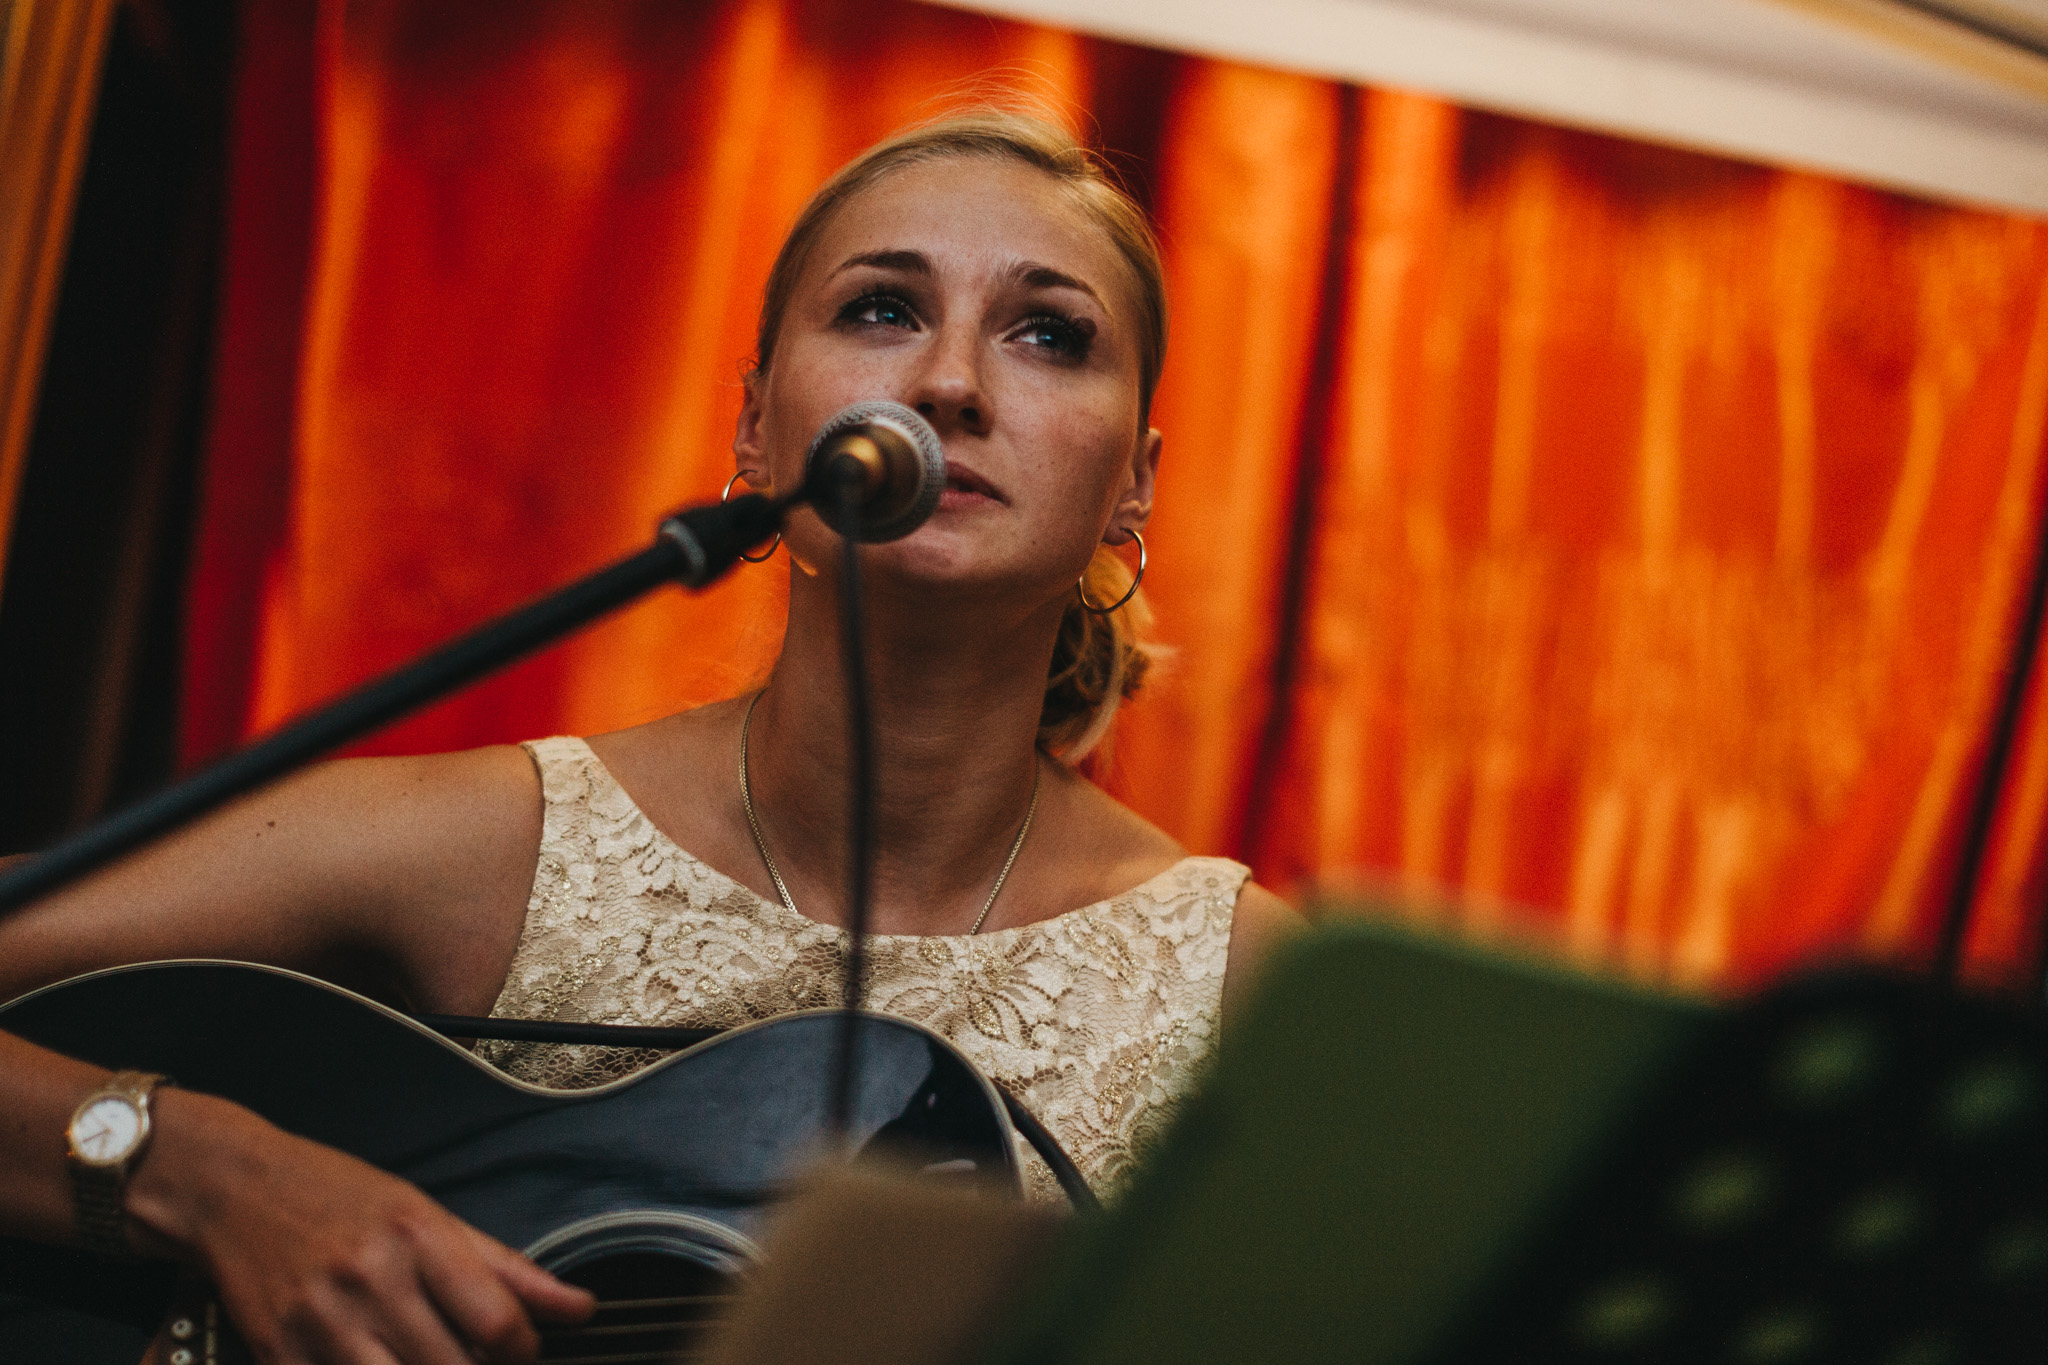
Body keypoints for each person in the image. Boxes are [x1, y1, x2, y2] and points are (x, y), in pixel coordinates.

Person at [0, 108, 1301, 1364]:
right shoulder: (501, 847)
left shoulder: (1250, 985)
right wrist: (210, 1175)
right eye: (882, 309)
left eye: (1049, 334)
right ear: (755, 426)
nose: (950, 382)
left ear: (1136, 479)